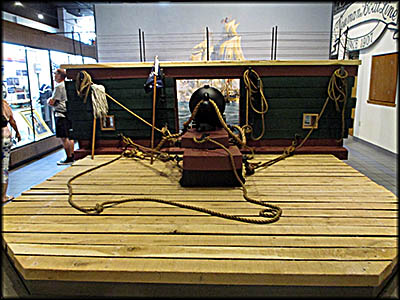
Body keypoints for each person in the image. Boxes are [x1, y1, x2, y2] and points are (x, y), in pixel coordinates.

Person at [47, 68, 75, 165]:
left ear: (59, 75)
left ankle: (68, 157)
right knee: (70, 136)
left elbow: (52, 101)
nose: (54, 76)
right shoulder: (67, 85)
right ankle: (72, 155)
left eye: (55, 74)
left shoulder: (58, 87)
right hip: (68, 113)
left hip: (60, 114)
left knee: (64, 137)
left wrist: (48, 101)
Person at [2, 99, 21, 203]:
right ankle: (3, 196)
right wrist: (17, 133)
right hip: (4, 137)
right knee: (4, 168)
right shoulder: (4, 105)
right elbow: (12, 121)